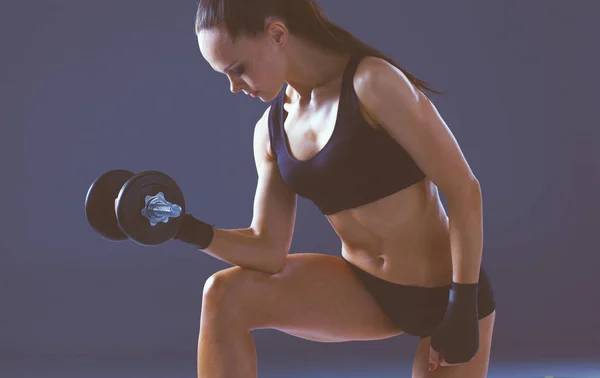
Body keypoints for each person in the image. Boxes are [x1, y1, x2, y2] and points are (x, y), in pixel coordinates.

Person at [174, 1, 497, 377]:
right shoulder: (271, 130)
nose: (233, 87)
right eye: (224, 76)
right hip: (363, 290)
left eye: (238, 69)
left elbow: (463, 190)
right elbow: (267, 249)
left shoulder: (372, 84)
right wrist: (184, 228)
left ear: (277, 34)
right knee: (223, 296)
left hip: (447, 291)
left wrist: (463, 303)